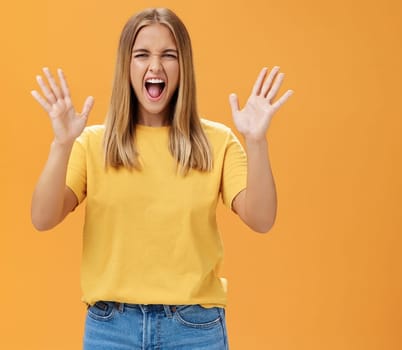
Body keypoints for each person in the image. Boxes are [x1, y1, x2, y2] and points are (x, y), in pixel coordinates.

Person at [29, 7, 292, 349]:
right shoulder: (93, 144)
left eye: (169, 55)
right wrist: (61, 144)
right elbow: (42, 217)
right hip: (111, 329)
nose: (155, 66)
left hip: (194, 329)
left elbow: (262, 218)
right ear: (127, 66)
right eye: (142, 55)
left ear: (184, 68)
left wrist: (256, 142)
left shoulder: (217, 142)